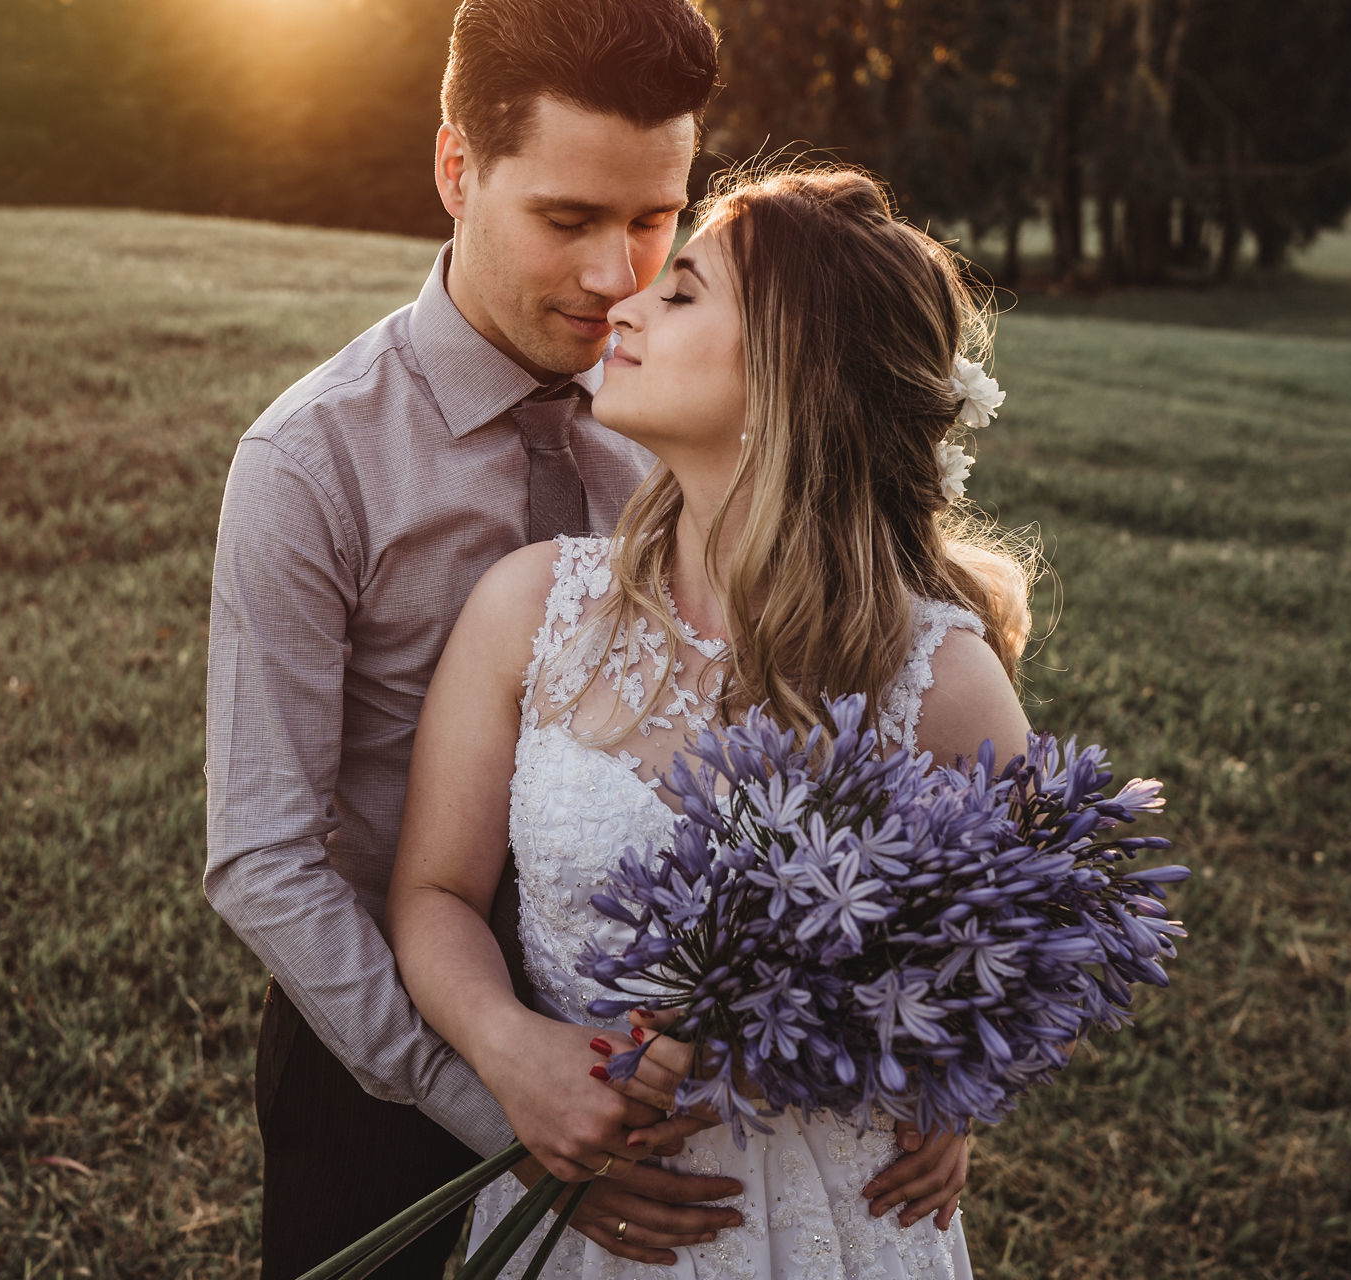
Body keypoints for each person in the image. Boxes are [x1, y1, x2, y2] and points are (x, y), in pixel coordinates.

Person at [205, 0, 973, 1274]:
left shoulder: (697, 404)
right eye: (566, 220)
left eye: (656, 222)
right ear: (458, 169)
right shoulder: (312, 461)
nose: (616, 275)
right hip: (380, 1041)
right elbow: (262, 858)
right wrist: (493, 1084)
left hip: (692, 1063)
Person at [384, 162, 1034, 1277]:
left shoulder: (941, 680)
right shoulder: (531, 608)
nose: (624, 301)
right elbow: (434, 891)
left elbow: (1014, 949)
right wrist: (510, 1049)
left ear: (794, 374)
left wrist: (956, 1089)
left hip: (833, 1221)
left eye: (680, 292)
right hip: (585, 1212)